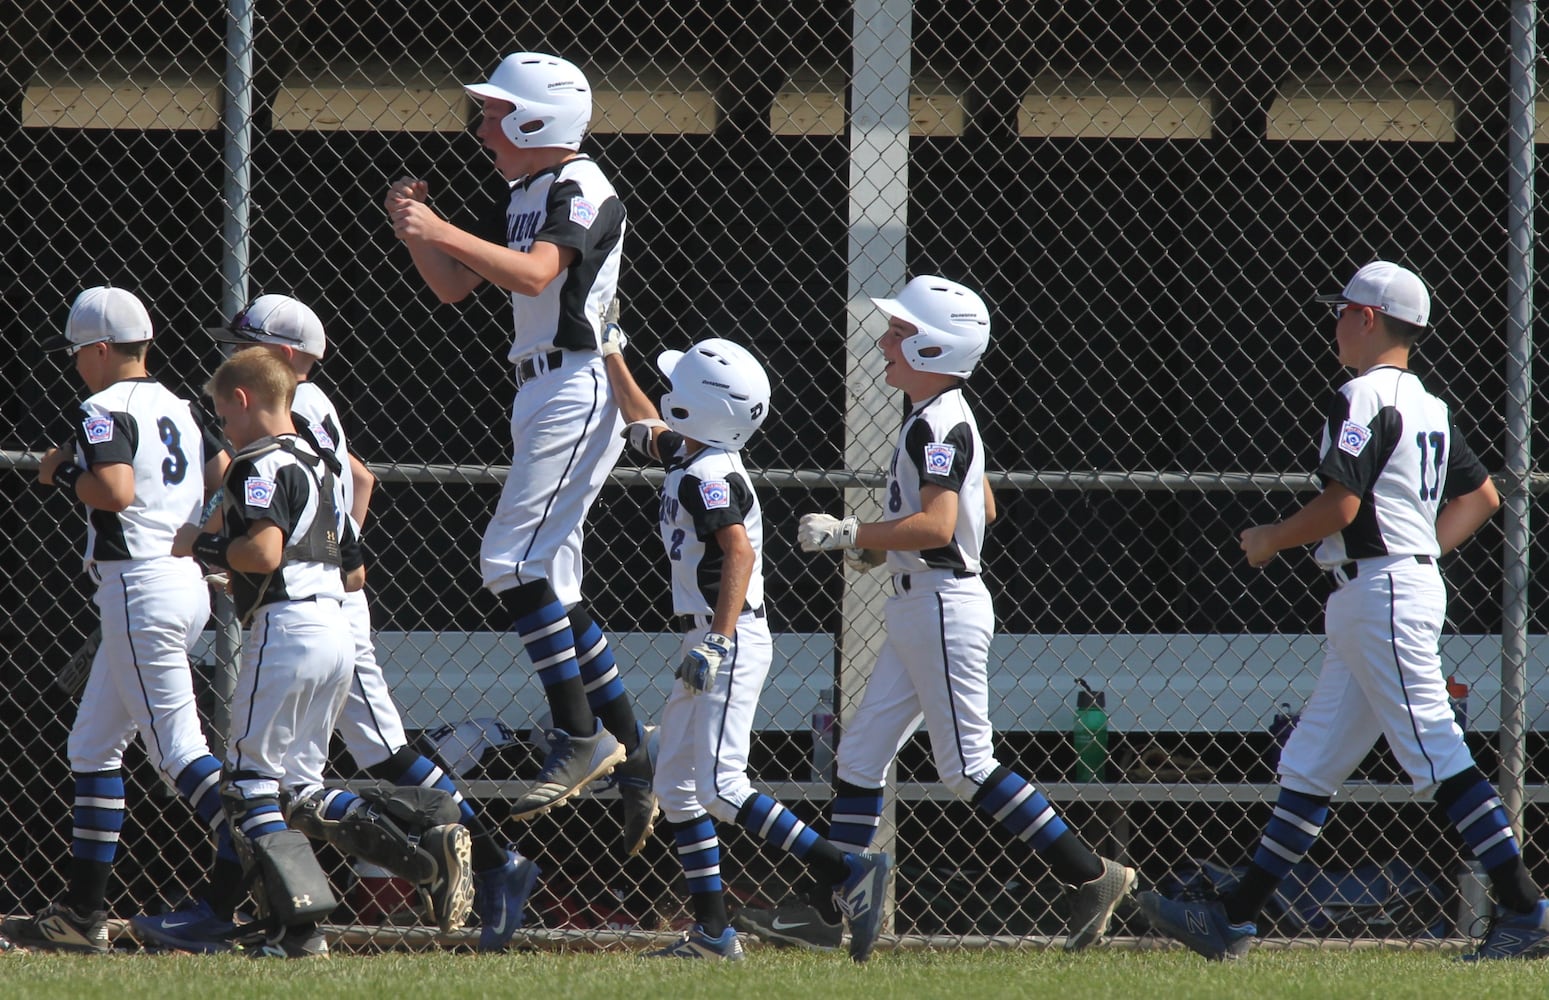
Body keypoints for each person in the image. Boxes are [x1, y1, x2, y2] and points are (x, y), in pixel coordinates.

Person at [1137, 261, 1549, 961]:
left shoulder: (1359, 397)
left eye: (1340, 311)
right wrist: (1420, 552)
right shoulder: (1429, 405)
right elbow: (1479, 499)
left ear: (1365, 318)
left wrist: (1269, 537)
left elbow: (1341, 505)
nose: (1334, 323)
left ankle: (1523, 910)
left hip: (1379, 592)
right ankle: (1233, 916)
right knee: (1310, 761)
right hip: (1389, 588)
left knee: (1436, 752)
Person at [735, 275, 1135, 953]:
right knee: (860, 758)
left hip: (942, 607)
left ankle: (1090, 875)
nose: (886, 342)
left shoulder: (938, 421)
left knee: (967, 768)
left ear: (932, 347)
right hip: (923, 601)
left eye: (900, 333)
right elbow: (982, 508)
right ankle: (825, 909)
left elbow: (942, 525)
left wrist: (854, 533)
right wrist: (891, 549)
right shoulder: (936, 417)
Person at [133, 295, 533, 953]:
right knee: (306, 780)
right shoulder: (308, 427)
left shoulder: (291, 417)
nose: (230, 360)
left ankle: (461, 856)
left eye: (243, 348)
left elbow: (270, 531)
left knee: (297, 772)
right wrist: (314, 557)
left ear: (282, 361)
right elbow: (358, 487)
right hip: (329, 602)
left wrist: (222, 551)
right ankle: (261, 913)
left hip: (300, 618)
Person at [383, 50, 654, 851]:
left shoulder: (578, 183)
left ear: (540, 118)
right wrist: (416, 233)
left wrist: (442, 227)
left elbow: (537, 277)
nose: (484, 125)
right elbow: (455, 286)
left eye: (499, 111)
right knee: (556, 585)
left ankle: (580, 736)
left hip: (574, 385)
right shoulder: (530, 189)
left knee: (509, 561)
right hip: (541, 388)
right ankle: (630, 751)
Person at [598, 326, 892, 962]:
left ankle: (847, 870)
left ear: (700, 406)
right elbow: (643, 423)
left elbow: (739, 549)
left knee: (720, 786)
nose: (668, 391)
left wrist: (718, 642)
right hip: (711, 634)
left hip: (726, 637)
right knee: (677, 786)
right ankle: (711, 934)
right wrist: (609, 348)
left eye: (679, 386)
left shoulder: (711, 476)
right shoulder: (695, 452)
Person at [170, 347, 473, 958]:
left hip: (286, 635)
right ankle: (422, 841)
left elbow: (261, 554)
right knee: (300, 789)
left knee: (249, 784)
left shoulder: (255, 463)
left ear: (245, 400)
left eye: (222, 413)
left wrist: (201, 548)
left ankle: (305, 928)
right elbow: (353, 573)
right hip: (336, 628)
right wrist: (250, 578)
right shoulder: (323, 464)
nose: (223, 427)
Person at [1, 287, 232, 954]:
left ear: (101, 350)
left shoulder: (101, 407)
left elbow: (115, 490)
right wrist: (198, 533)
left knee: (176, 752)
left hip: (139, 587)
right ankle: (82, 917)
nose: (75, 365)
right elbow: (224, 470)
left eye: (78, 354)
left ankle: (268, 859)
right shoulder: (183, 406)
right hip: (180, 582)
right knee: (92, 746)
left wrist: (61, 472)